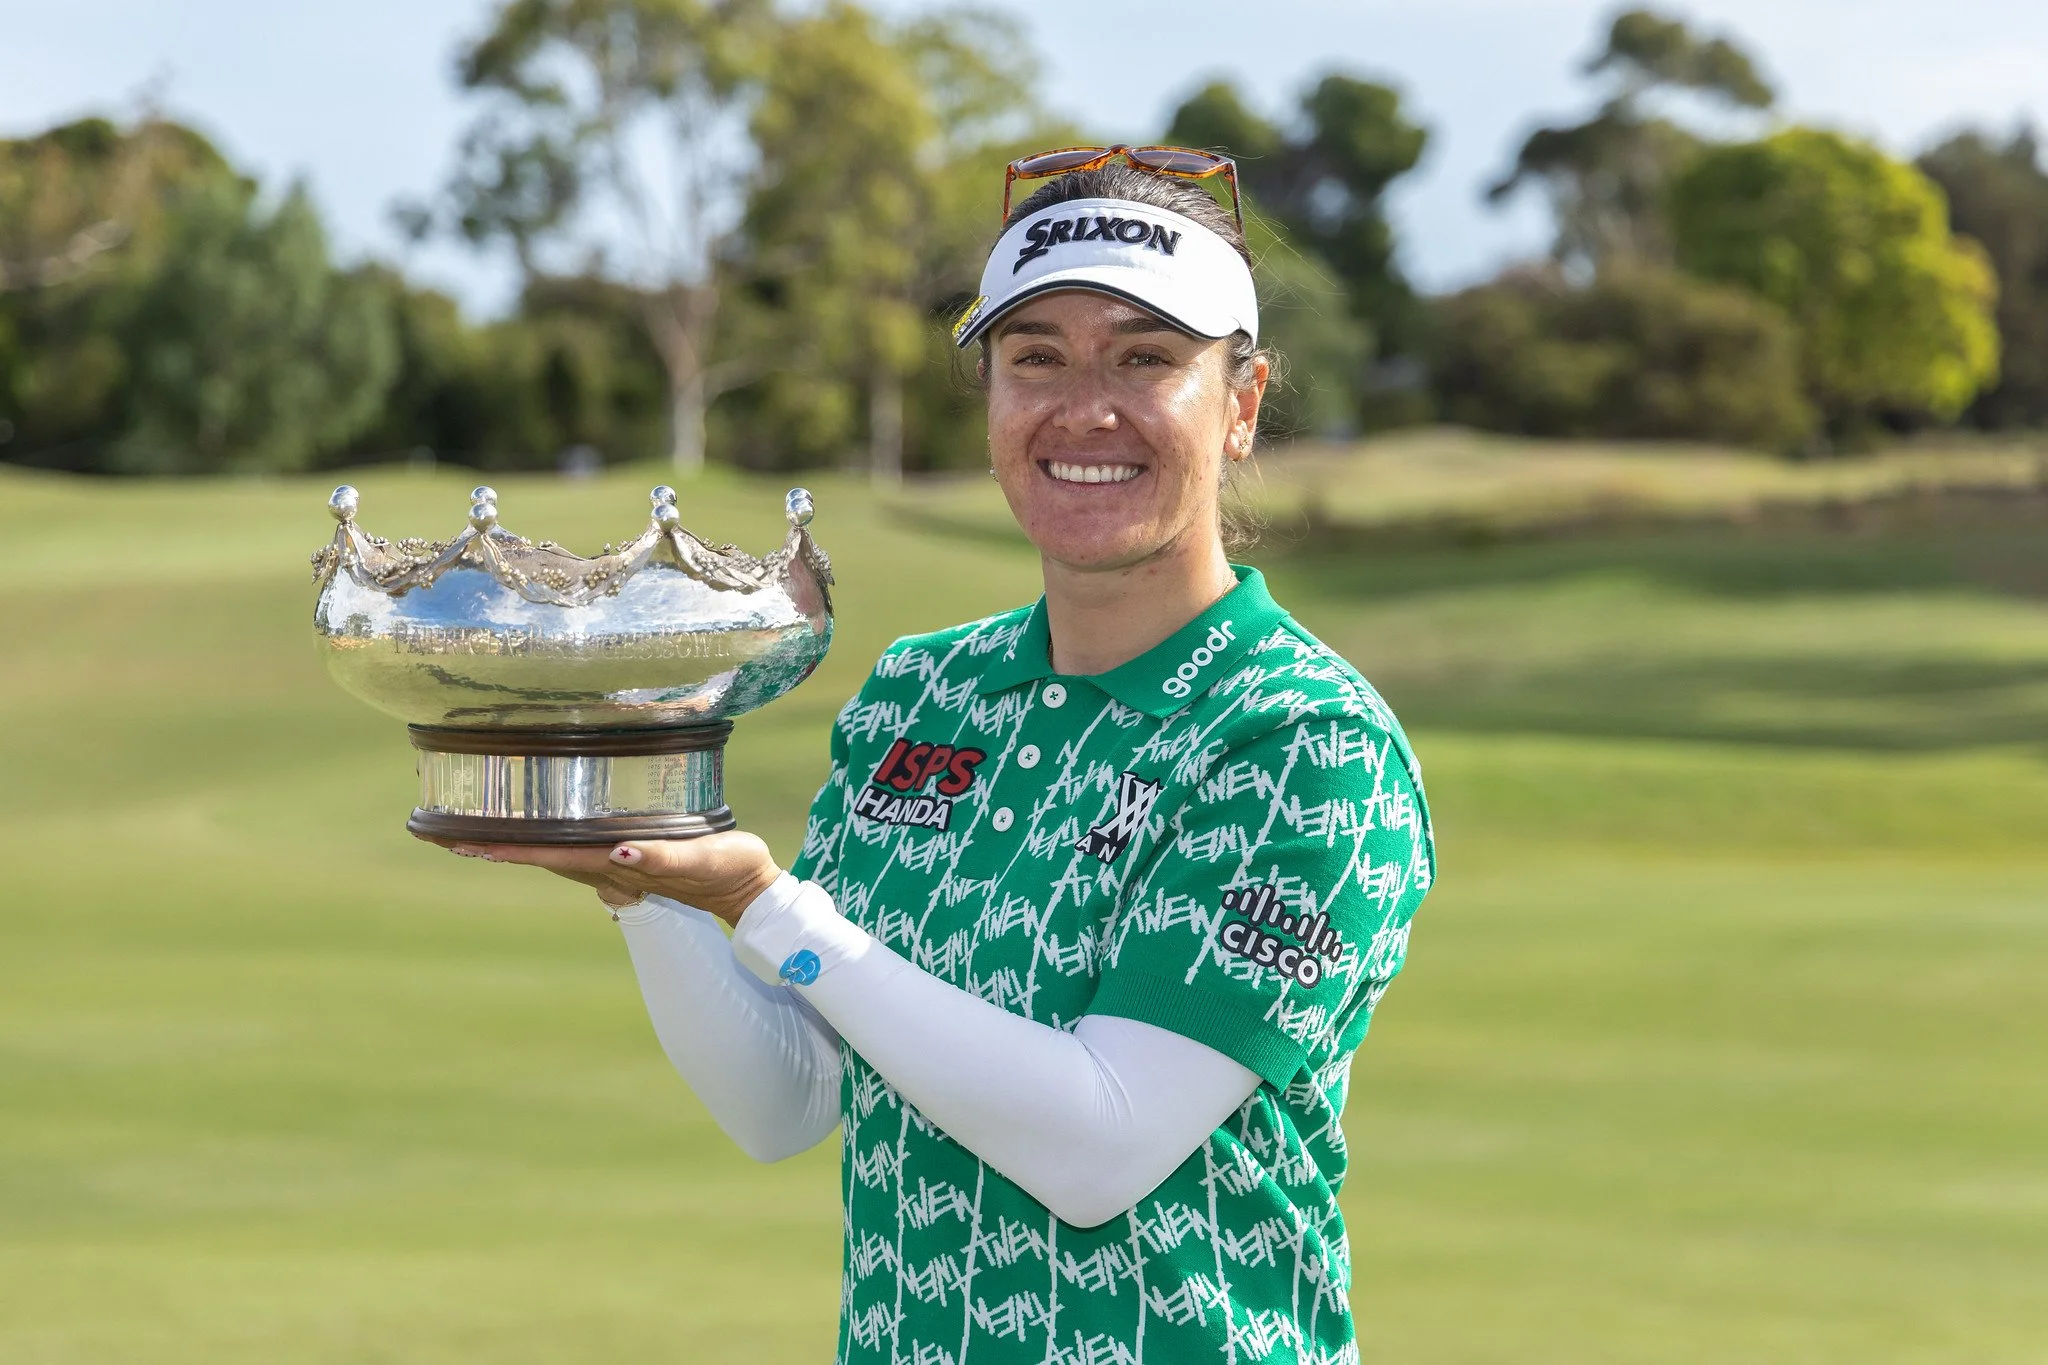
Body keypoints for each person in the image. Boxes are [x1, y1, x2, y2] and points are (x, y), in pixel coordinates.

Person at [438, 150, 1436, 1365]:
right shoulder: (928, 691)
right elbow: (787, 1100)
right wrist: (649, 885)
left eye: (1144, 357)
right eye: (1035, 358)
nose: (1083, 408)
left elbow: (1099, 1147)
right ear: (989, 398)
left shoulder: (1297, 739)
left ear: (1239, 404)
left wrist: (765, 902)